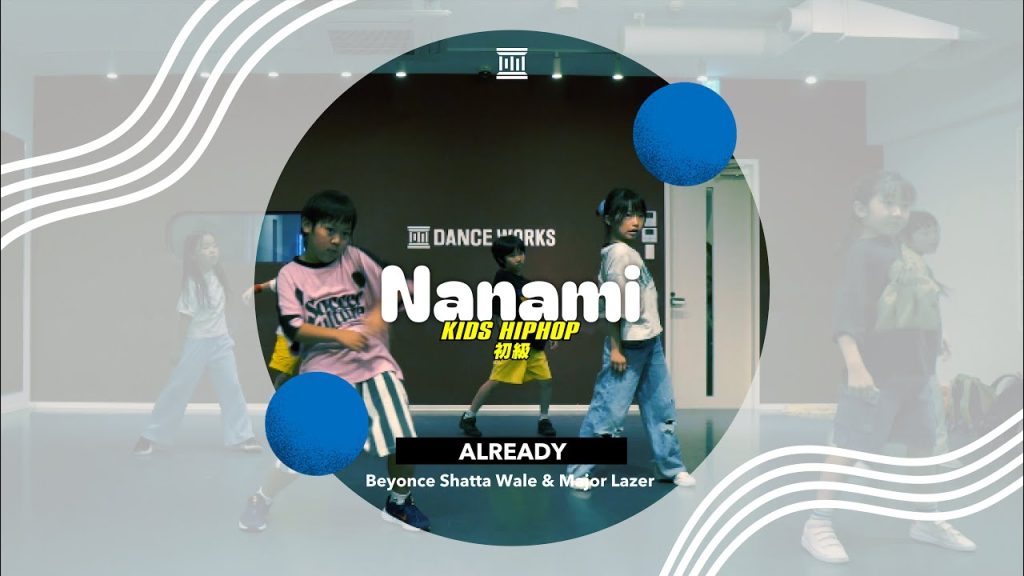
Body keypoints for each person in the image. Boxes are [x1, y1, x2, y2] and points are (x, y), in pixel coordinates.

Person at [801, 173, 975, 564]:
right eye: (889, 203)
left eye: (904, 205)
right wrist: (855, 367)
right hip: (876, 373)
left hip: (916, 370)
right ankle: (817, 523)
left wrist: (936, 338)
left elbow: (916, 301)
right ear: (862, 209)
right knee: (847, 446)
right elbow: (846, 314)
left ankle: (926, 518)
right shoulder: (862, 253)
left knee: (922, 445)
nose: (898, 212)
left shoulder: (902, 250)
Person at [238, 189, 429, 532]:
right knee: (303, 450)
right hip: (325, 371)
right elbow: (294, 327)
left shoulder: (355, 259)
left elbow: (403, 288)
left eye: (345, 233)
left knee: (403, 440)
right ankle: (261, 498)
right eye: (330, 230)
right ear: (307, 227)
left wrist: (380, 312)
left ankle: (399, 502)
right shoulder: (291, 275)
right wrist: (340, 336)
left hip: (374, 365)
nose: (338, 240)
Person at [566, 188, 695, 491]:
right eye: (627, 216)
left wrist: (611, 210)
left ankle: (670, 468)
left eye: (639, 215)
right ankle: (577, 471)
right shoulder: (619, 255)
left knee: (661, 410)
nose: (636, 222)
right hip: (627, 347)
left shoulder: (625, 249)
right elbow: (613, 305)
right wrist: (616, 348)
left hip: (651, 343)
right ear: (610, 219)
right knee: (608, 413)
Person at [133, 231, 261, 455]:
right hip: (196, 343)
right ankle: (150, 436)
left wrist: (226, 331)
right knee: (178, 389)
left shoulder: (218, 276)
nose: (212, 250)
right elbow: (184, 318)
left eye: (214, 245)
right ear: (193, 255)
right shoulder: (192, 284)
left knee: (231, 388)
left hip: (221, 343)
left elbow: (218, 311)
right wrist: (178, 348)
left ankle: (242, 436)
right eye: (205, 247)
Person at [458, 235, 557, 438]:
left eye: (521, 253)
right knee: (495, 380)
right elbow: (498, 314)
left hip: (534, 343)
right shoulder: (502, 279)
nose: (519, 258)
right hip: (514, 344)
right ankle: (468, 417)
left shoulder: (526, 284)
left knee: (546, 380)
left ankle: (544, 419)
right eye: (512, 255)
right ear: (501, 259)